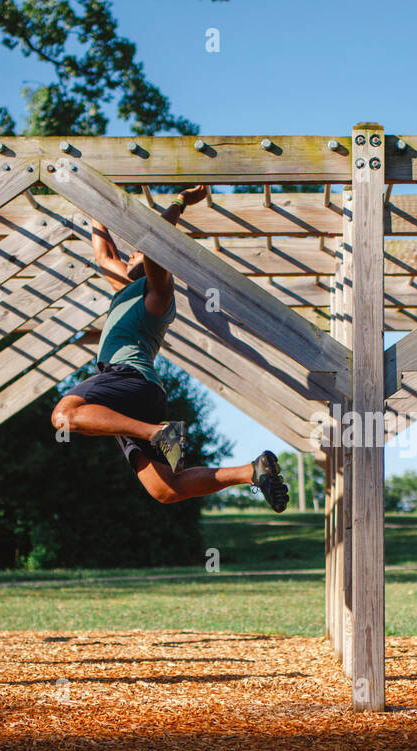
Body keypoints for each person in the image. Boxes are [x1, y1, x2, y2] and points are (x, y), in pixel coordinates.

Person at [51, 184, 290, 512]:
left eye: (136, 253)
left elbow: (155, 245)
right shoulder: (126, 289)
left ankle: (158, 432)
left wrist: (179, 202)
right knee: (167, 489)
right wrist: (96, 207)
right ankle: (252, 470)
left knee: (64, 416)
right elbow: (104, 255)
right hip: (139, 393)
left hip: (126, 376)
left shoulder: (158, 295)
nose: (130, 253)